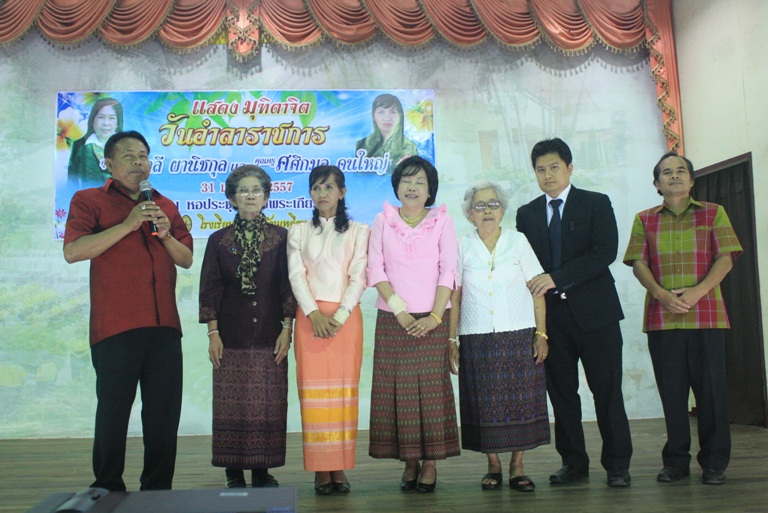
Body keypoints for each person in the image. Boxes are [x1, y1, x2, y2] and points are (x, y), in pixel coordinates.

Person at [63, 130, 193, 491]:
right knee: (113, 413)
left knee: (163, 416)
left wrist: (165, 235)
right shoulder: (89, 200)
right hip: (116, 327)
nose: (139, 162)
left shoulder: (164, 205)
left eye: (144, 155)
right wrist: (128, 224)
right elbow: (74, 251)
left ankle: (157, 489)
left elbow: (186, 259)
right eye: (129, 156)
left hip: (165, 326)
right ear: (108, 163)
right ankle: (106, 486)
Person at [516, 137, 633, 488]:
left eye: (554, 167)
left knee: (607, 390)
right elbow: (523, 264)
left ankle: (617, 465)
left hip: (596, 315)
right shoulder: (527, 213)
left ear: (569, 168)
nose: (547, 175)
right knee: (562, 394)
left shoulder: (596, 203)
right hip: (550, 320)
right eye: (540, 169)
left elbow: (604, 253)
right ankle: (573, 462)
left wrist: (557, 277)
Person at [623, 152, 742, 485]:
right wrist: (661, 294)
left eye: (680, 171)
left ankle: (714, 462)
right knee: (672, 394)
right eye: (666, 172)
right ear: (657, 184)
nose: (673, 176)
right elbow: (637, 263)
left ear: (691, 180)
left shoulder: (714, 214)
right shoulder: (644, 219)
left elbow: (726, 258)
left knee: (712, 393)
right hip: (663, 319)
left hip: (706, 315)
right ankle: (675, 461)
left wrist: (698, 292)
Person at [449, 181, 550, 493]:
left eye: (493, 204)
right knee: (482, 402)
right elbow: (455, 293)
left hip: (518, 333)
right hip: (476, 334)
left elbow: (537, 289)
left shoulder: (518, 241)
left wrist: (541, 333)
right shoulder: (461, 245)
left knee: (522, 400)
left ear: (503, 210)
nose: (487, 210)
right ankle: (492, 464)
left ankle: (517, 465)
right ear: (469, 214)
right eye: (479, 206)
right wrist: (452, 340)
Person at [199, 165, 296, 489]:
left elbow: (287, 286)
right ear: (232, 198)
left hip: (270, 334)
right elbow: (210, 289)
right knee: (233, 404)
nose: (251, 195)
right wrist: (213, 333)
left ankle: (261, 471)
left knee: (267, 404)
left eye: (257, 190)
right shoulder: (219, 241)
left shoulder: (282, 238)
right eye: (244, 190)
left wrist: (287, 329)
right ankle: (233, 472)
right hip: (231, 337)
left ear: (267, 196)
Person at [367, 155, 459, 493]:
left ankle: (431, 462)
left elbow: (448, 270)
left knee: (431, 391)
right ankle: (409, 460)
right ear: (397, 186)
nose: (413, 187)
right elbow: (375, 267)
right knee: (400, 391)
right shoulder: (382, 219)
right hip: (394, 321)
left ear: (430, 189)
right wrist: (399, 309)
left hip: (433, 318)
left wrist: (436, 317)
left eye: (420, 182)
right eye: (407, 180)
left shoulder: (442, 221)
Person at [287, 165, 370, 495]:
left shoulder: (359, 230)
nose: (322, 194)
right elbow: (297, 276)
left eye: (329, 187)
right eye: (316, 188)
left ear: (342, 192)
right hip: (310, 321)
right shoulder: (298, 230)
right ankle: (322, 469)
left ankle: (340, 467)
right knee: (314, 397)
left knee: (342, 396)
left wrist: (341, 314)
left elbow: (359, 275)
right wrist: (313, 314)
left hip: (346, 320)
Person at [355, 93, 418, 173]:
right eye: (381, 112)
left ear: (400, 115)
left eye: (393, 112)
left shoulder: (409, 146)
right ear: (373, 116)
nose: (387, 118)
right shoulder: (362, 144)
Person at [68, 98, 123, 185]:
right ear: (93, 120)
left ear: (118, 123)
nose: (106, 123)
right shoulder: (79, 146)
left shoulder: (126, 146)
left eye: (111, 118)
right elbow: (71, 181)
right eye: (101, 117)